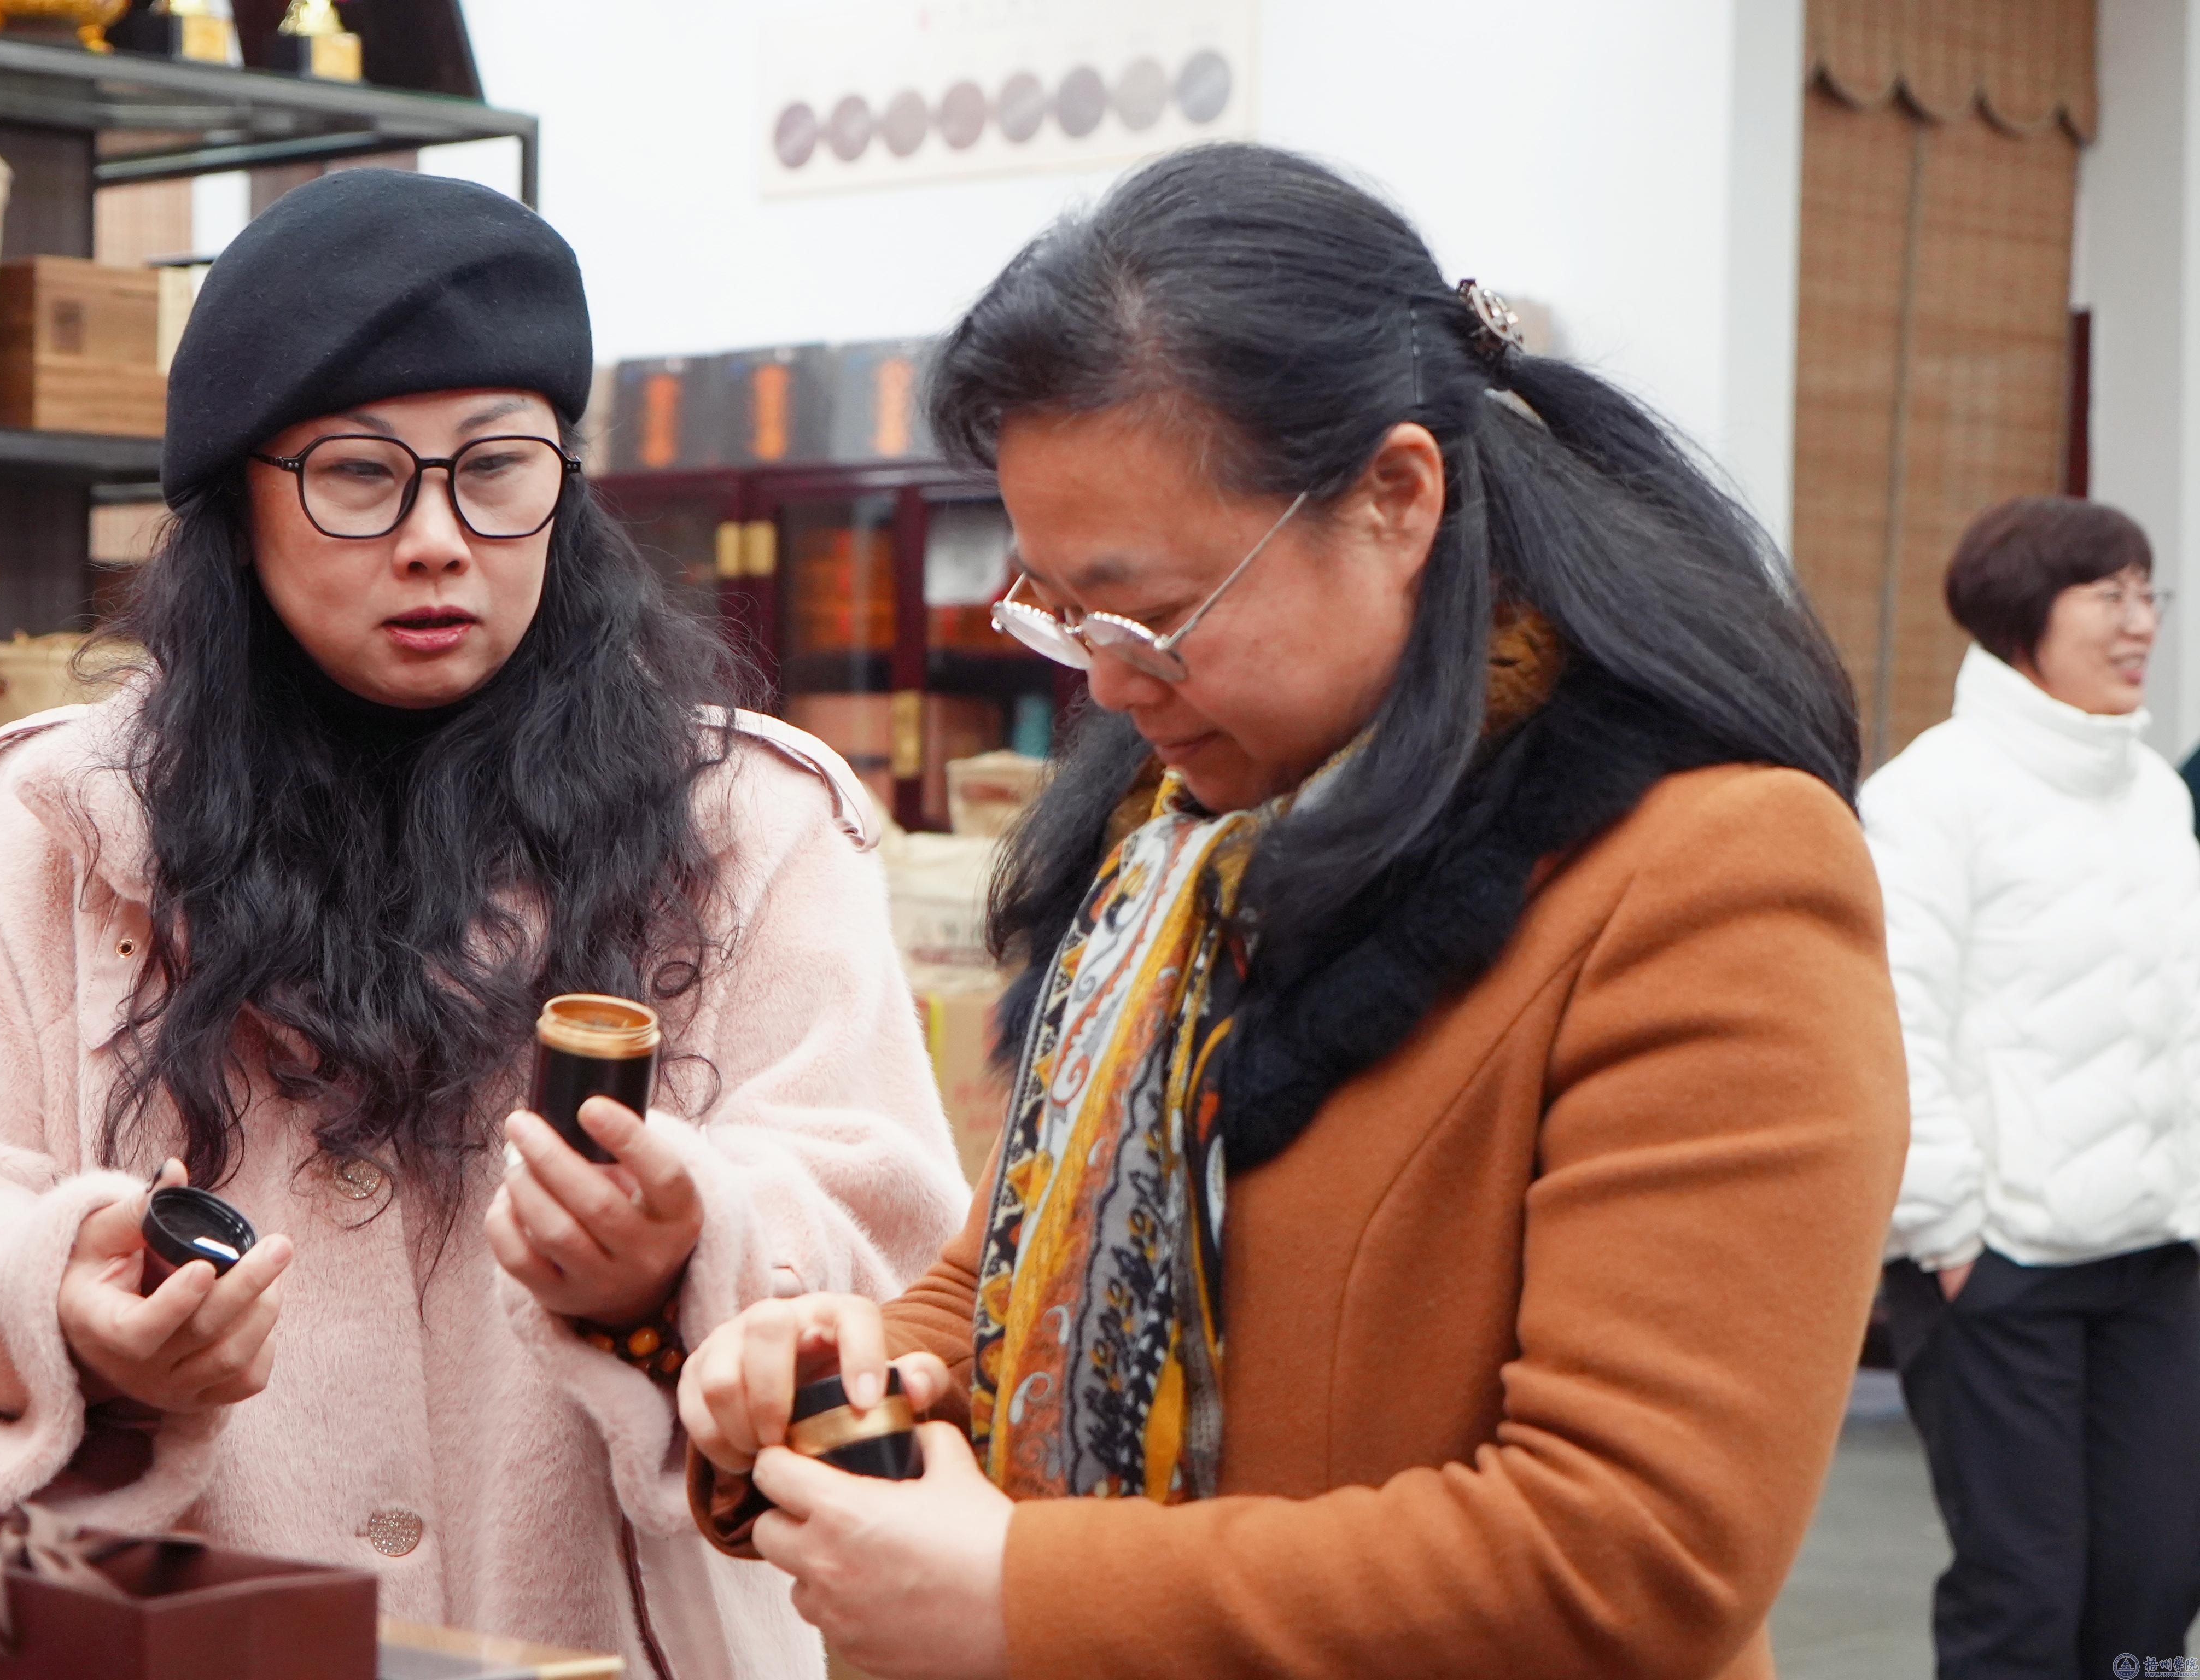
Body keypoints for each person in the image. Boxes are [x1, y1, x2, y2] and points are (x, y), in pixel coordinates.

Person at [676, 142, 1910, 1680]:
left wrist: (1029, 1595)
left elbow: (1635, 1552)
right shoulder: (1174, 852)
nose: (1109, 684)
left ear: (1396, 498)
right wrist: (848, 1366)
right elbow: (1003, 1286)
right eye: (1062, 610)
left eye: (1153, 613)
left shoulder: (1706, 878)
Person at [0, 170, 967, 1678]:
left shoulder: (745, 824)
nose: (439, 538)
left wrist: (686, 1253)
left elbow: (897, 1243)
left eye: (498, 468)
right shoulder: (41, 830)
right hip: (163, 1643)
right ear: (236, 506)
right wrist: (59, 1313)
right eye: (357, 475)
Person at [1861, 497, 2200, 1678]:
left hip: (2157, 1260)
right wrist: (1953, 1235)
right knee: (2027, 1598)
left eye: (2148, 594)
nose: (2140, 622)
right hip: (1999, 1268)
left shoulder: (2156, 795)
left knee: (2157, 1583)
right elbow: (1894, 1027)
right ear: (2023, 616)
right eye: (2109, 595)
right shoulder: (1932, 795)